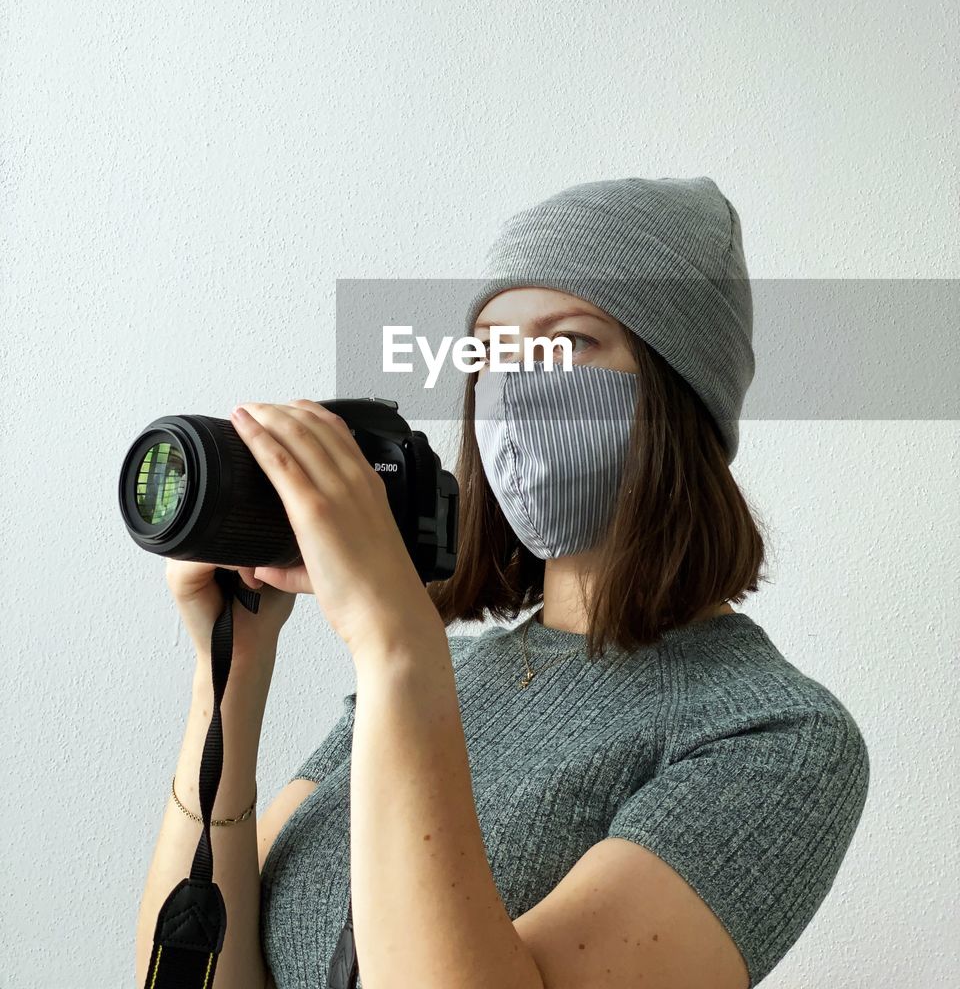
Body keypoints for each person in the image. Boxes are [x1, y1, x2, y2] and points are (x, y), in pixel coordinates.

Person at [136, 175, 870, 989]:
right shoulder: (438, 677)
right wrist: (229, 673)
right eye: (489, 350)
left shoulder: (774, 734)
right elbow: (193, 978)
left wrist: (392, 634)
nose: (514, 387)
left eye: (568, 344)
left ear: (677, 395)